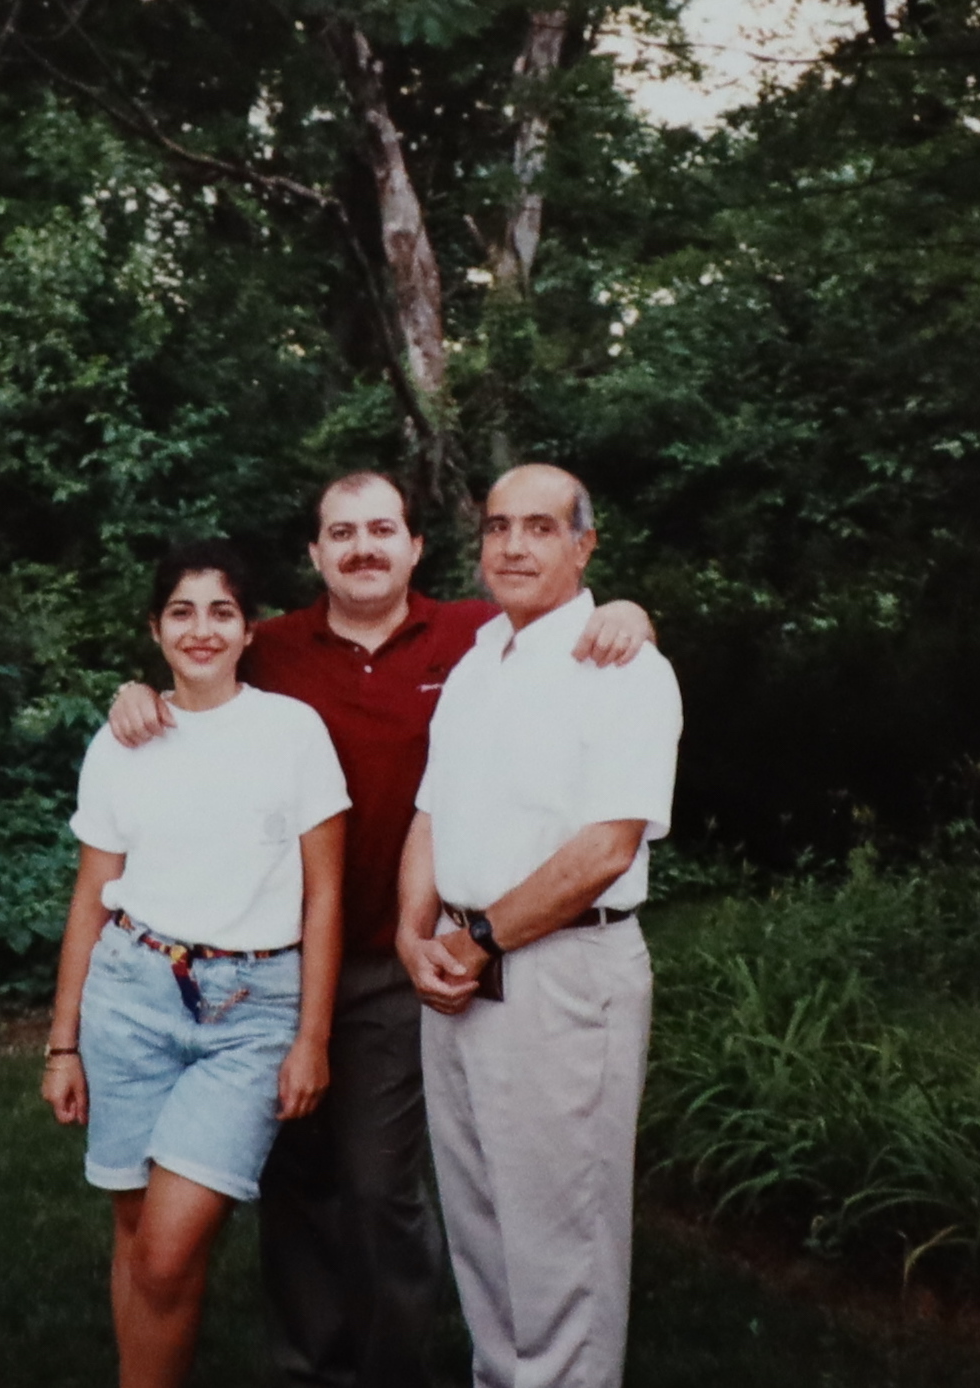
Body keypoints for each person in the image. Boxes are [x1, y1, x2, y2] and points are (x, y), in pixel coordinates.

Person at [107, 472, 656, 1388]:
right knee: (296, 1180)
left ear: (414, 546)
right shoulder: (274, 648)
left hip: (410, 963)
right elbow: (195, 688)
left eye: (381, 529)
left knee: (379, 1187)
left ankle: (394, 1367)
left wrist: (632, 614)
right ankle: (311, 1367)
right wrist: (136, 693)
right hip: (280, 963)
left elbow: (577, 637)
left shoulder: (471, 638)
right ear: (315, 553)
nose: (362, 547)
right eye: (341, 532)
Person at [396, 464, 682, 1388]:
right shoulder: (479, 661)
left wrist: (477, 939)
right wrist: (412, 934)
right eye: (497, 527)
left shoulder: (624, 669)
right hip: (456, 973)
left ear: (583, 545)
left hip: (562, 972)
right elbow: (431, 812)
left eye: (540, 527)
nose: (513, 546)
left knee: (563, 1246)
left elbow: (604, 848)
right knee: (482, 1233)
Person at [42, 538, 351, 1388]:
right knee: (136, 1234)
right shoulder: (122, 741)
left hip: (251, 1012)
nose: (201, 630)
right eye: (181, 612)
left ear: (250, 630)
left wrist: (311, 1039)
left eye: (221, 612)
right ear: (155, 629)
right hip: (129, 995)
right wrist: (62, 1043)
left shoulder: (291, 732)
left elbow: (325, 895)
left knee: (169, 1250)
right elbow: (91, 895)